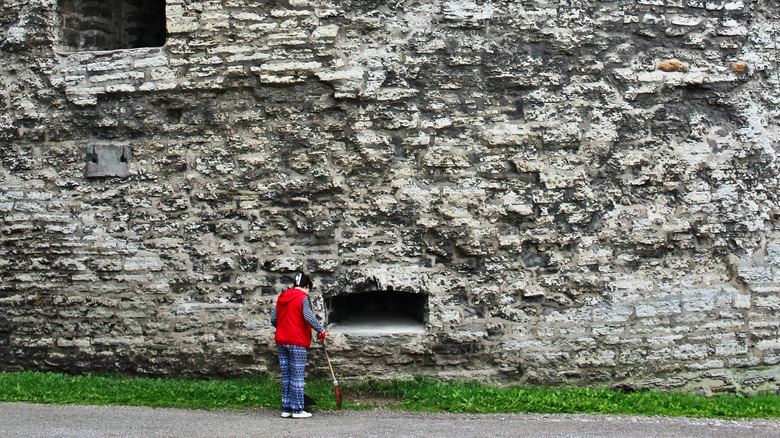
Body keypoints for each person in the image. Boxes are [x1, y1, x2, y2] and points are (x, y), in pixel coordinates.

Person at [270, 272, 326, 419]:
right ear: (306, 286)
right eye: (309, 289)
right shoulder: (303, 298)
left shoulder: (282, 297)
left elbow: (273, 319)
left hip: (282, 341)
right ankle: (298, 409)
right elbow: (308, 317)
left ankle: (286, 408)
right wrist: (321, 330)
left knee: (286, 375)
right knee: (297, 376)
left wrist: (282, 327)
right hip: (297, 341)